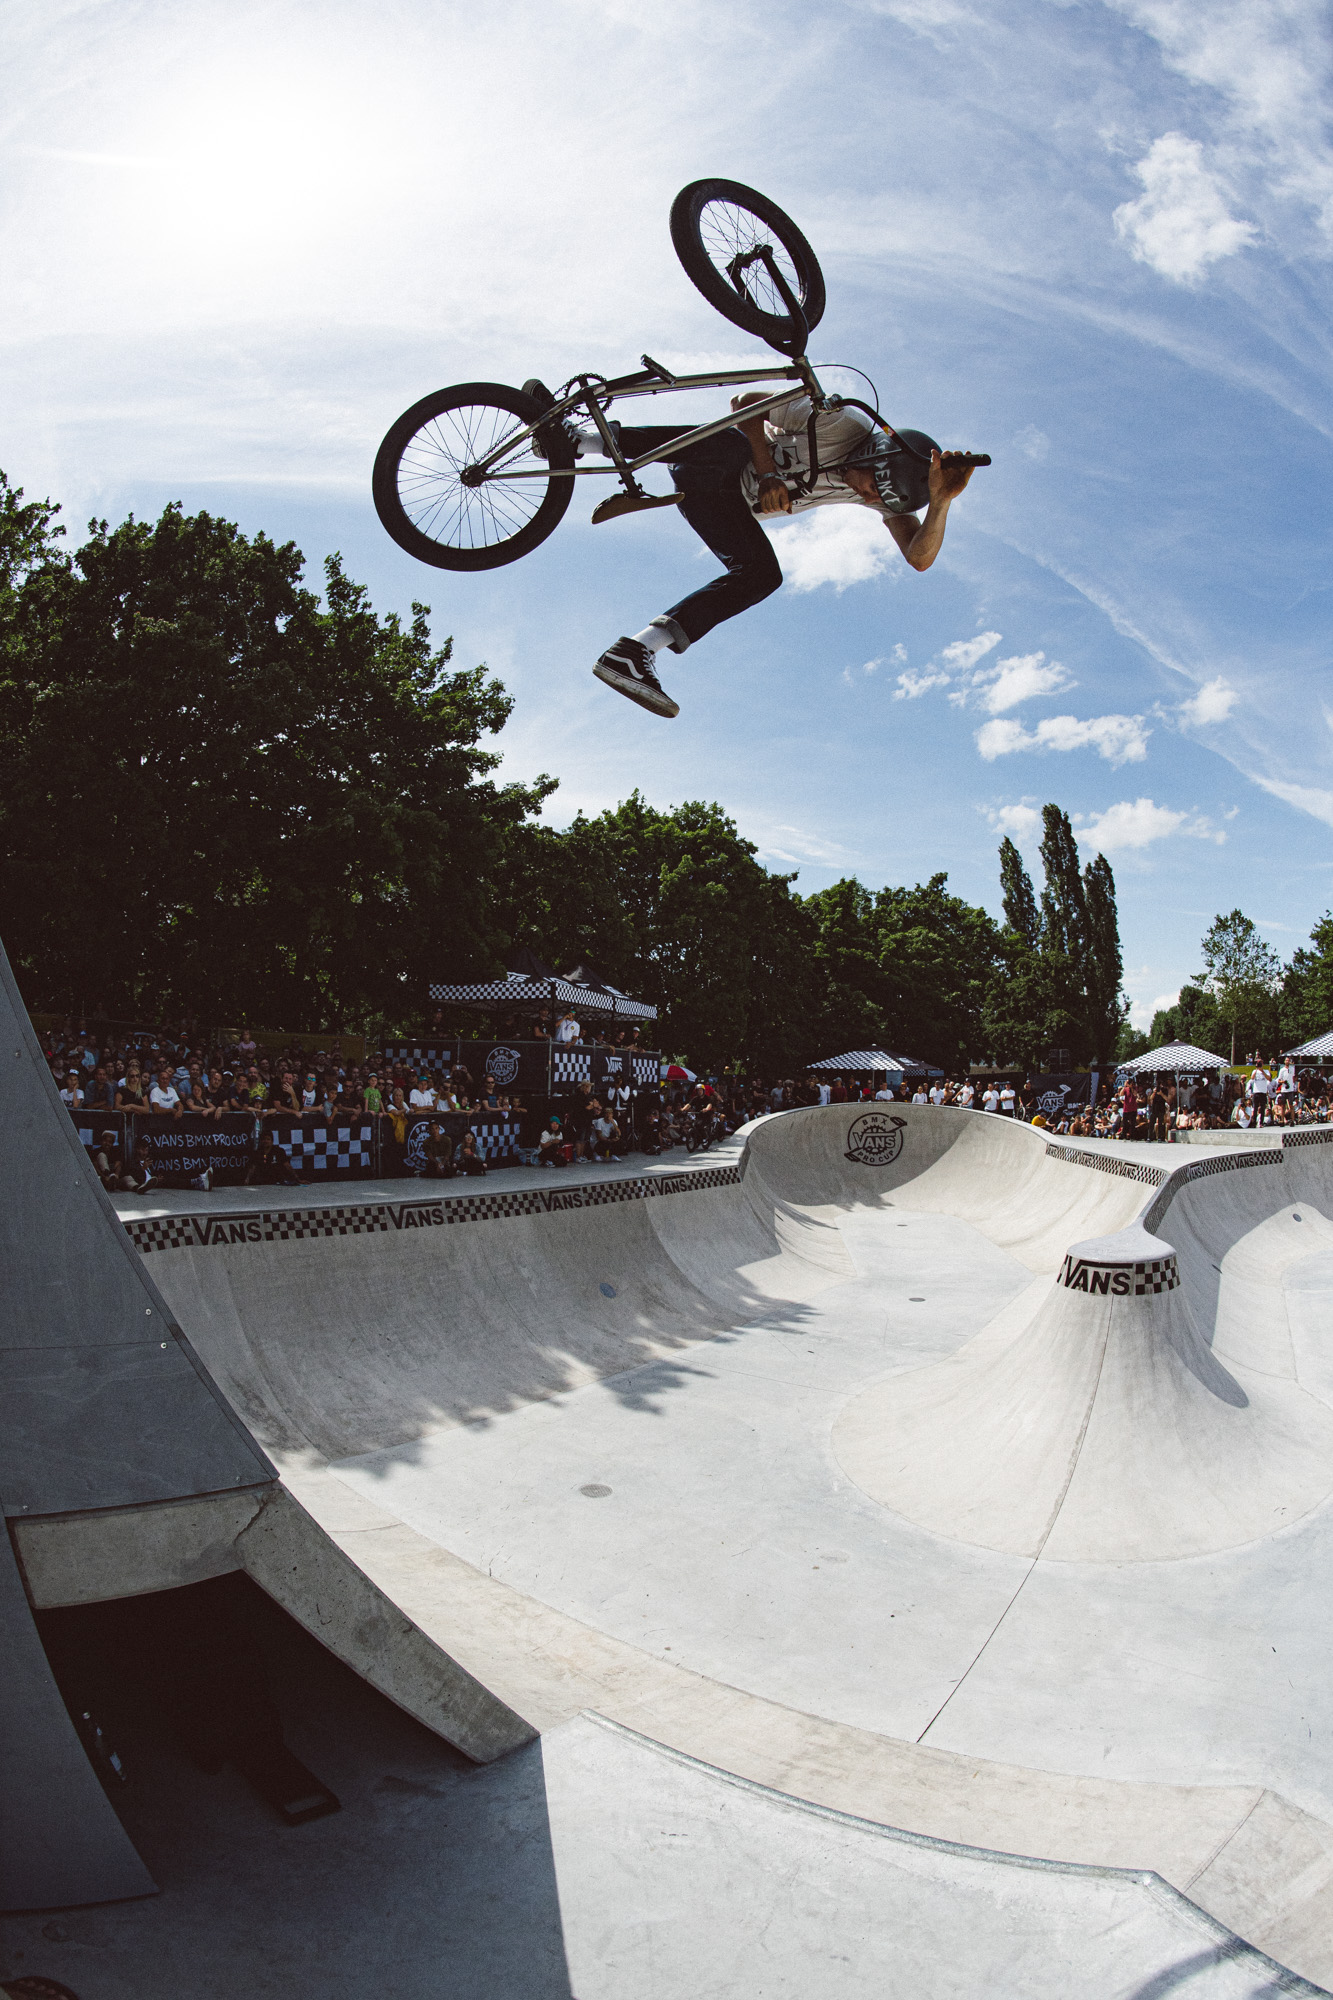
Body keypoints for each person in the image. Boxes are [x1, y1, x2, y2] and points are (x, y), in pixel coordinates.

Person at [550, 383, 983, 719]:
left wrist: (942, 500)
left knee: (762, 575)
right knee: (735, 441)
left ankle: (634, 650)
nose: (870, 501)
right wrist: (767, 471)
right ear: (872, 456)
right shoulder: (842, 423)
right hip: (712, 462)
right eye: (872, 489)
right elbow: (745, 401)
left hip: (717, 504)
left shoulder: (879, 497)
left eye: (878, 501)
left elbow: (919, 557)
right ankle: (580, 442)